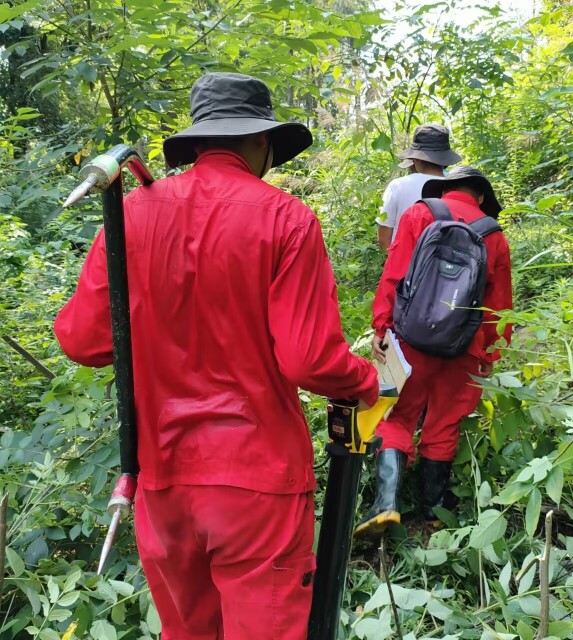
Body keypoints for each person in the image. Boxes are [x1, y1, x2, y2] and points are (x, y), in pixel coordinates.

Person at [54, 72, 379, 640]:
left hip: (161, 477)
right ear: (261, 142)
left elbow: (83, 342)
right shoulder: (287, 219)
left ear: (200, 141)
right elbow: (309, 362)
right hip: (259, 481)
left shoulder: (131, 212)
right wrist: (365, 380)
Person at [356, 166, 512, 537]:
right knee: (443, 421)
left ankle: (387, 504)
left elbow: (394, 275)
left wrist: (382, 327)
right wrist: (489, 354)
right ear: (481, 197)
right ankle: (435, 512)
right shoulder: (494, 236)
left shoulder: (420, 213)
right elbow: (498, 307)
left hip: (411, 338)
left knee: (397, 415)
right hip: (462, 347)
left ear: (446, 189)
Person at [376, 124, 462, 251]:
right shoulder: (457, 189)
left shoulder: (398, 186)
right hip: (446, 268)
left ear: (415, 159)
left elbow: (383, 239)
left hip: (403, 266)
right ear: (445, 160)